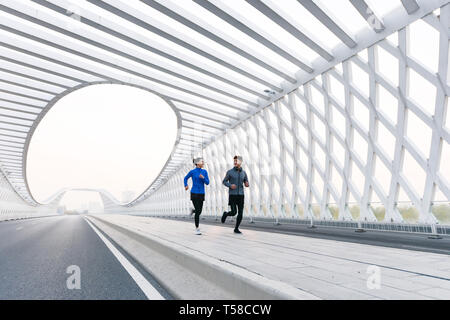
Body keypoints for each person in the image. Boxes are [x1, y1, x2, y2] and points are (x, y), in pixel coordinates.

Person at [221, 155, 249, 234]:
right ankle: (226, 214)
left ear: (241, 162)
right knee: (234, 212)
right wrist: (230, 185)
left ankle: (236, 228)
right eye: (234, 161)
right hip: (232, 195)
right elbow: (224, 181)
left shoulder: (244, 173)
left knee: (240, 213)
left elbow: (246, 182)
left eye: (237, 161)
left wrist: (247, 184)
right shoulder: (230, 172)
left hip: (241, 195)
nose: (235, 162)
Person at [184, 157, 209, 235]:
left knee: (199, 211)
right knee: (198, 211)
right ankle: (197, 228)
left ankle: (193, 211)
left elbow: (207, 182)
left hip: (201, 193)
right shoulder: (192, 172)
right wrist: (186, 185)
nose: (203, 163)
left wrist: (203, 178)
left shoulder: (204, 172)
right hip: (194, 192)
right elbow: (185, 178)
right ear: (197, 163)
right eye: (202, 162)